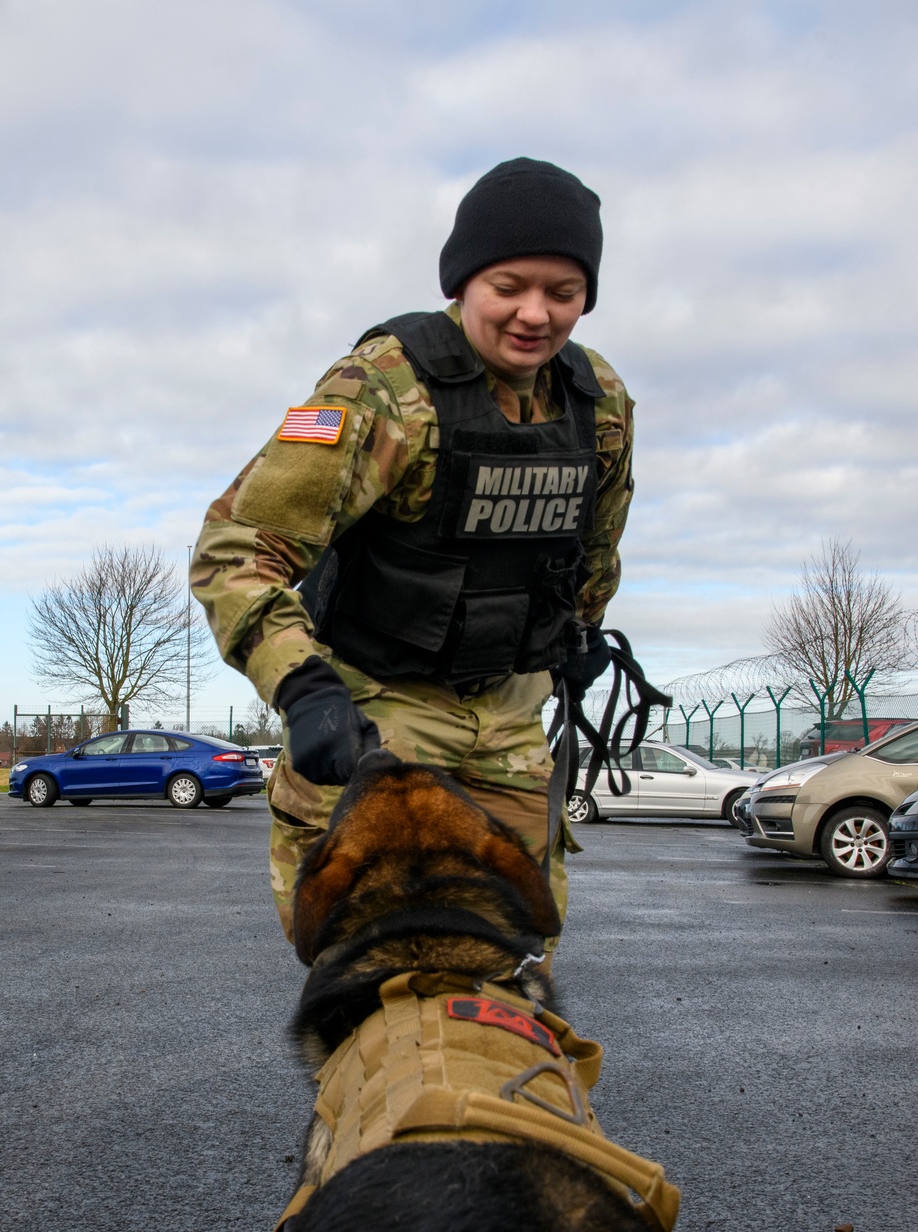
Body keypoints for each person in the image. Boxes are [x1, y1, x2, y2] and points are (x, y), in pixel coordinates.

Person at [191, 157, 635, 948]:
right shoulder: (385, 389)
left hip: (509, 713)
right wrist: (302, 688)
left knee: (516, 949)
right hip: (376, 708)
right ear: (461, 284)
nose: (535, 313)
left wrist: (577, 634)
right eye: (510, 286)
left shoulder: (596, 399)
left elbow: (594, 545)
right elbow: (235, 551)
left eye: (563, 294)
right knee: (367, 958)